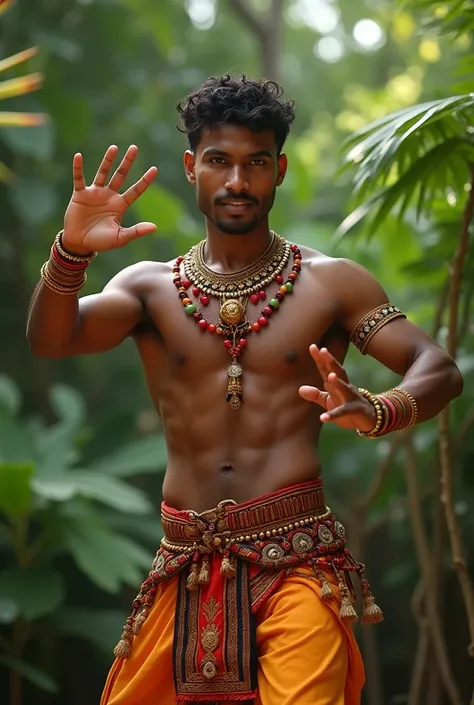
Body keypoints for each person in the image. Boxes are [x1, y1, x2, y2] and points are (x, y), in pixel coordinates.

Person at [27, 74, 463, 705]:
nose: (237, 181)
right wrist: (70, 252)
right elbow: (52, 340)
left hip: (299, 565)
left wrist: (377, 408)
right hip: (185, 562)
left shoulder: (331, 284)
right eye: (219, 162)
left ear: (280, 169)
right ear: (191, 167)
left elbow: (437, 368)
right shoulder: (148, 289)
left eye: (256, 163)